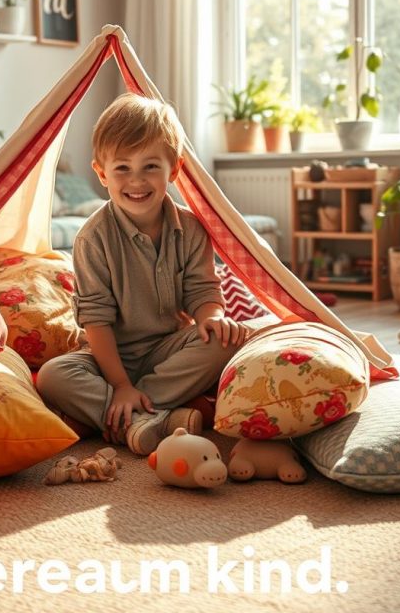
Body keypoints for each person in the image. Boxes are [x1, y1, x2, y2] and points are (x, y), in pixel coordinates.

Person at [37, 94, 249, 456]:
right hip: (108, 359)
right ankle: (152, 417)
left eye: (151, 166)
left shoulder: (192, 229)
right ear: (102, 173)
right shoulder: (92, 238)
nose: (136, 180)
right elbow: (97, 319)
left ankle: (136, 413)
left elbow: (202, 290)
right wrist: (119, 383)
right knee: (54, 376)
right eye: (122, 168)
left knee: (226, 339)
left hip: (168, 351)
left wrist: (212, 316)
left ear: (175, 170)